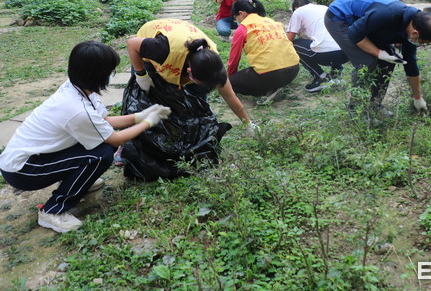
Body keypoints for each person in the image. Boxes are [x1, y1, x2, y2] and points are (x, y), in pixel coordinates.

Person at [0, 41, 171, 233]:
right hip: (23, 170)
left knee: (101, 149)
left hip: (36, 155)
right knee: (101, 155)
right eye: (110, 71)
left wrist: (140, 115)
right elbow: (116, 139)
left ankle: (80, 181)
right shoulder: (76, 109)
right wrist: (148, 122)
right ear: (96, 75)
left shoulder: (78, 88)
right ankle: (53, 212)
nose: (111, 76)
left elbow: (104, 120)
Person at [324, 0, 431, 112]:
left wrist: (418, 98)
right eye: (423, 43)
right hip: (340, 18)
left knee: (390, 60)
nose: (420, 46)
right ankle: (356, 111)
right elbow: (355, 34)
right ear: (415, 33)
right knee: (366, 62)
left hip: (366, 23)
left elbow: (410, 64)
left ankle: (375, 106)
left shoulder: (411, 29)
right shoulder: (387, 14)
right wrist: (379, 53)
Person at [127, 18, 252, 126]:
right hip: (150, 42)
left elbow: (229, 96)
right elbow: (132, 43)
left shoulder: (212, 64)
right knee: (147, 96)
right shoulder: (161, 50)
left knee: (198, 100)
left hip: (181, 38)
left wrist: (248, 124)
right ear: (189, 72)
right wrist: (141, 75)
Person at [227, 0, 300, 97]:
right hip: (293, 70)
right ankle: (275, 86)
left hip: (271, 74)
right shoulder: (270, 21)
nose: (237, 21)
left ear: (241, 13)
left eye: (236, 17)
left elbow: (234, 58)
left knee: (229, 83)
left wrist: (230, 78)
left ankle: (266, 92)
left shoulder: (243, 28)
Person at [286, 0, 349, 92]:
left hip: (327, 55)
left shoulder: (298, 12)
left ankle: (321, 77)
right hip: (346, 53)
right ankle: (336, 75)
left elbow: (289, 39)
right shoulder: (324, 8)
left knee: (294, 45)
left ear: (295, 8)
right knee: (331, 40)